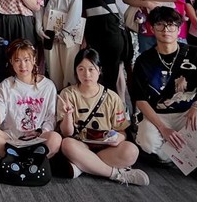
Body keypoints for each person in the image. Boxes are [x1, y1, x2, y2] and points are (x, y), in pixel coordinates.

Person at [131, 7, 197, 188]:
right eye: (160, 25)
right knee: (147, 142)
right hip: (159, 116)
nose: (166, 30)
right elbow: (140, 100)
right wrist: (163, 128)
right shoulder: (144, 60)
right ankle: (171, 155)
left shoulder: (196, 53)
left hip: (189, 114)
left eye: (171, 25)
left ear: (179, 28)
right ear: (152, 28)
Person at [57, 48, 149, 186]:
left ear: (99, 70)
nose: (86, 74)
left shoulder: (112, 97)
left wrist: (118, 139)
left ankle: (84, 165)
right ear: (75, 71)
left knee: (131, 151)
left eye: (91, 69)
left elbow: (122, 130)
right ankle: (115, 174)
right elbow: (66, 133)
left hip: (106, 148)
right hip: (80, 145)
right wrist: (68, 115)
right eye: (81, 69)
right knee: (67, 144)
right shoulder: (68, 94)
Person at [75, 0, 138, 95]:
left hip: (111, 28)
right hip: (91, 29)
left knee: (113, 71)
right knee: (96, 70)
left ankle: (116, 105)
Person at [0, 39, 62, 159]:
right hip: (10, 140)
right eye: (17, 60)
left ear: (34, 60)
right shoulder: (6, 85)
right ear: (11, 62)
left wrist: (40, 132)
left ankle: (18, 163)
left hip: (37, 140)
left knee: (56, 138)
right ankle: (25, 162)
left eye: (26, 60)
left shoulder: (48, 86)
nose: (22, 65)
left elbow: (50, 119)